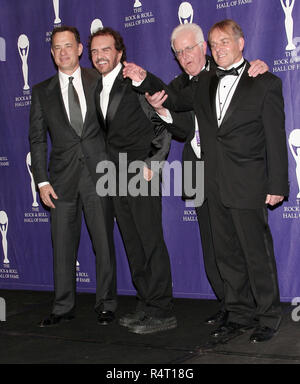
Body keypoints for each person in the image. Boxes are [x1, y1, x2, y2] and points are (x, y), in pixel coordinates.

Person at [123, 19, 289, 343]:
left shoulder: (264, 81)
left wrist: (277, 185)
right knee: (225, 254)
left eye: (224, 42)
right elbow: (172, 97)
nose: (219, 49)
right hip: (210, 181)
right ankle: (239, 313)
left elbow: (274, 136)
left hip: (247, 182)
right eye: (214, 44)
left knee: (256, 253)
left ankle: (269, 316)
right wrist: (145, 80)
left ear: (241, 43)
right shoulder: (205, 82)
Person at [88, 27, 176, 335]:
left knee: (150, 240)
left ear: (119, 53)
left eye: (106, 50)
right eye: (95, 51)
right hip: (114, 176)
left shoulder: (135, 82)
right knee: (133, 243)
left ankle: (163, 309)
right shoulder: (95, 89)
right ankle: (146, 302)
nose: (100, 55)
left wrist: (154, 162)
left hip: (141, 173)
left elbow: (160, 121)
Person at [29, 26, 116, 327]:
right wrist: (41, 181)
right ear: (52, 53)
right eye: (56, 47)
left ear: (80, 49)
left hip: (98, 174)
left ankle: (106, 304)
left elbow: (116, 124)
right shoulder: (42, 92)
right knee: (62, 245)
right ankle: (63, 306)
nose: (63, 51)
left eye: (68, 45)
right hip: (60, 181)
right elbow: (37, 139)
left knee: (104, 242)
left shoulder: (100, 80)